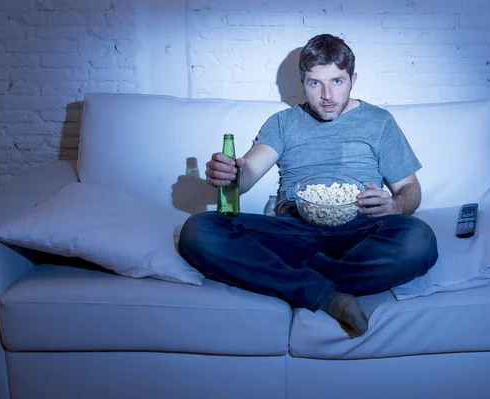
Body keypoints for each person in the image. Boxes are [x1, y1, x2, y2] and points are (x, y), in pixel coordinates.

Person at [178, 34, 438, 336]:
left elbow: (411, 190)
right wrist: (233, 176)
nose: (327, 95)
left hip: (359, 231)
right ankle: (327, 296)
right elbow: (248, 172)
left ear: (353, 78)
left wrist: (394, 205)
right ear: (302, 82)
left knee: (419, 238)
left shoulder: (379, 122)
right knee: (198, 230)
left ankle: (286, 278)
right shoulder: (283, 122)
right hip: (294, 230)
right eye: (315, 83)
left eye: (337, 82)